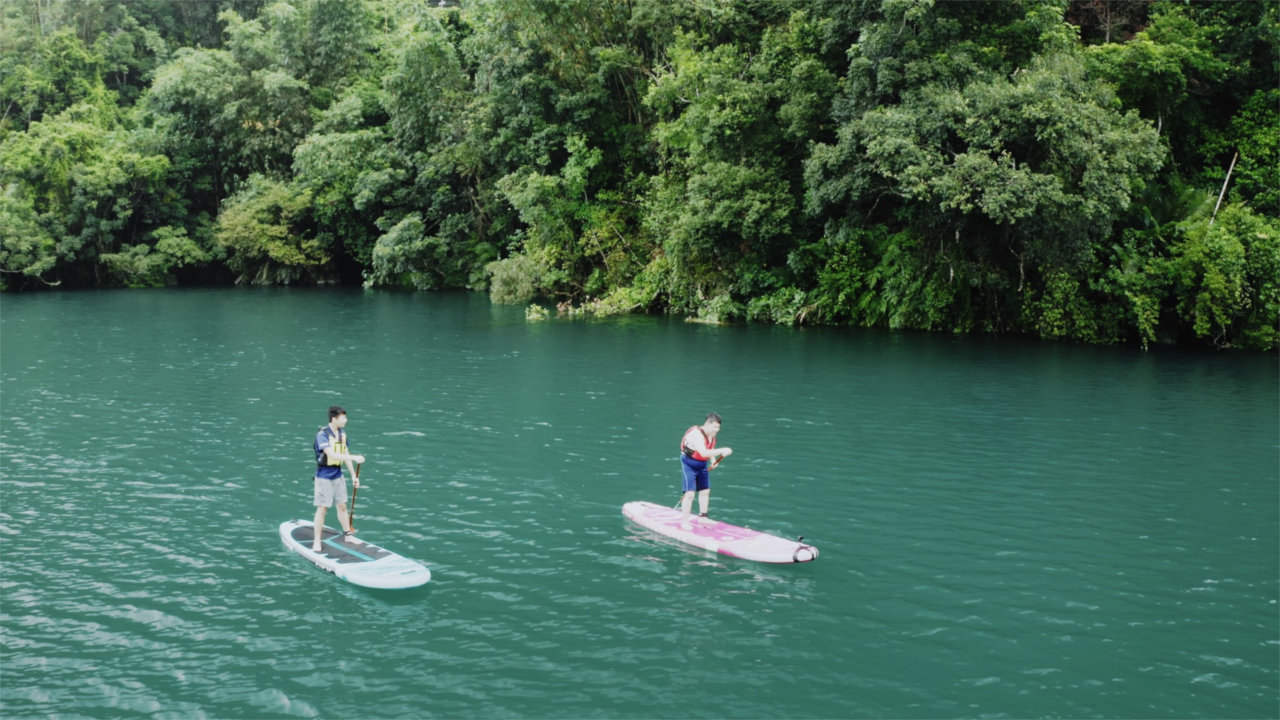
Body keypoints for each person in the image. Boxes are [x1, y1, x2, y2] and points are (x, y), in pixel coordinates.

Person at [311, 406, 365, 552]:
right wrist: (354, 457)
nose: (346, 420)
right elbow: (333, 455)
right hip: (324, 475)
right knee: (322, 508)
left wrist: (354, 475)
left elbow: (345, 455)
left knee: (342, 506)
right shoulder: (322, 435)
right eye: (343, 418)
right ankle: (317, 541)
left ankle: (348, 535)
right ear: (334, 419)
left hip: (338, 474)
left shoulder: (342, 434)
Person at [679, 413, 732, 526]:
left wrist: (713, 460)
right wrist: (722, 450)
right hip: (689, 464)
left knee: (705, 491)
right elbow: (703, 452)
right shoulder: (697, 434)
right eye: (715, 427)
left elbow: (710, 447)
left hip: (702, 464)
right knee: (690, 494)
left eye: (718, 427)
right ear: (708, 424)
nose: (717, 430)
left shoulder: (710, 434)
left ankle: (703, 517)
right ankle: (684, 522)